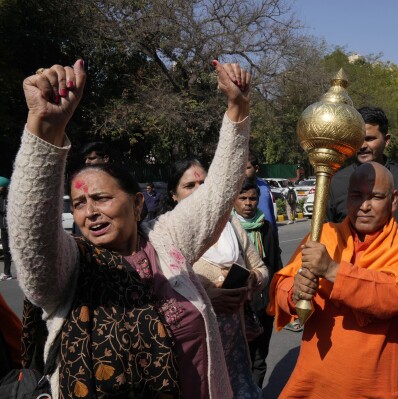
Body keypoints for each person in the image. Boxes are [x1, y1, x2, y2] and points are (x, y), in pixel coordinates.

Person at [8, 58, 251, 398]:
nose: (90, 212)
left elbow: (218, 192)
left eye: (102, 198)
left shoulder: (166, 240)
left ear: (137, 205)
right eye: (79, 204)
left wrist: (237, 109)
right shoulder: (71, 266)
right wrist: (45, 131)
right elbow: (30, 236)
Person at [268, 162, 398, 398]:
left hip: (375, 385)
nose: (364, 206)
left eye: (375, 197)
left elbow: (393, 296)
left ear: (393, 201)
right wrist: (295, 292)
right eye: (356, 196)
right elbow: (283, 283)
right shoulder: (325, 235)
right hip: (315, 383)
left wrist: (331, 270)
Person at [167, 157, 266, 398]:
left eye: (204, 185)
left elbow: (261, 268)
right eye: (189, 186)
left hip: (235, 343)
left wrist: (252, 278)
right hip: (195, 349)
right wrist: (208, 297)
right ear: (173, 195)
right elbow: (163, 293)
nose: (199, 192)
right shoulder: (165, 234)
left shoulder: (229, 222)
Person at [327, 106, 398, 224]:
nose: (362, 146)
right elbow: (325, 233)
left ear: (387, 140)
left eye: (369, 139)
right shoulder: (336, 184)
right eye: (357, 139)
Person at [232, 179, 283, 387]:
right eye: (242, 198)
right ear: (233, 200)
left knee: (260, 358)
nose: (248, 203)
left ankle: (255, 391)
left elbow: (274, 263)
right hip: (237, 306)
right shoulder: (226, 230)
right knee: (242, 357)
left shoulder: (267, 227)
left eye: (252, 198)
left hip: (263, 304)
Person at [245, 152, 278, 235]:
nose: (243, 172)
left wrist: (274, 236)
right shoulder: (235, 188)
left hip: (267, 234)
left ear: (256, 168)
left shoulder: (264, 185)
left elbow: (270, 212)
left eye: (247, 168)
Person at [0, 179, 14, 280]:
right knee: (6, 251)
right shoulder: (1, 197)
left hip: (11, 227)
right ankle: (7, 273)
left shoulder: (10, 197)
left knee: (15, 251)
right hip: (3, 227)